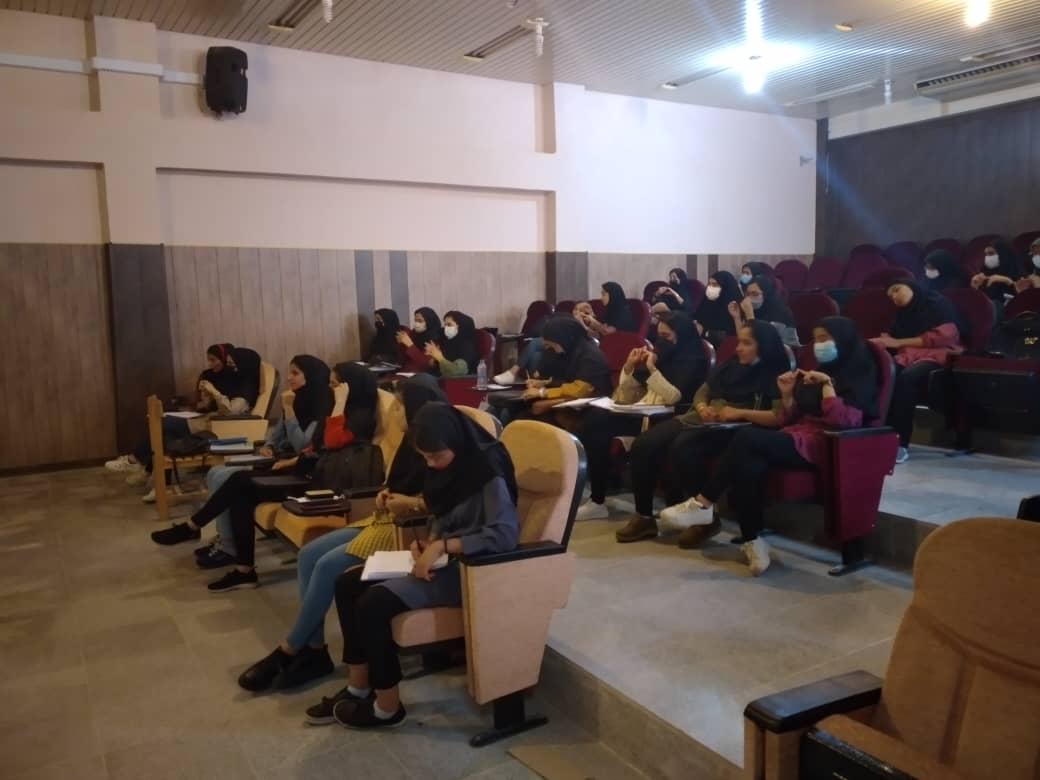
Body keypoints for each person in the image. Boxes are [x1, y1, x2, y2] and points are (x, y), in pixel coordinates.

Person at [310, 402, 520, 730]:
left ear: (455, 441)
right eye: (425, 457)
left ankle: (387, 707)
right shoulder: (448, 468)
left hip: (473, 570)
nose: (431, 465)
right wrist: (427, 543)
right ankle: (358, 687)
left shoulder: (486, 471)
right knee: (346, 584)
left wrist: (442, 545)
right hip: (443, 561)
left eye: (435, 456)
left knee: (373, 604)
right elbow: (443, 516)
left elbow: (506, 534)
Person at [237, 375, 447, 695]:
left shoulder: (436, 443)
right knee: (309, 555)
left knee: (327, 566)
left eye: (399, 407)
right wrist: (387, 493)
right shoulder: (409, 442)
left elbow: (438, 500)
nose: (393, 413)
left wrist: (407, 502)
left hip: (407, 530)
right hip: (385, 519)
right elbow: (398, 484)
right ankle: (315, 650)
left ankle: (289, 648)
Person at [668, 317, 878, 575]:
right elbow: (789, 417)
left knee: (746, 438)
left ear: (843, 340)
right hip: (797, 436)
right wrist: (788, 394)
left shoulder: (860, 374)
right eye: (816, 339)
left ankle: (703, 503)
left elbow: (844, 421)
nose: (818, 345)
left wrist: (827, 387)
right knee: (748, 463)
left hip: (828, 444)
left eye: (825, 339)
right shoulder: (821, 369)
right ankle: (753, 541)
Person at [150, 355, 335, 586]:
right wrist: (269, 445)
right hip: (281, 463)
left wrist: (289, 410)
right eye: (290, 372)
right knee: (228, 482)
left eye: (295, 373)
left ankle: (196, 529)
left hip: (304, 474)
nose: (289, 378)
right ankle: (241, 567)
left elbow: (303, 445)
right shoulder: (297, 399)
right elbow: (276, 435)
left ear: (312, 376)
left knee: (238, 481)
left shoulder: (323, 405)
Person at [615, 321, 789, 545]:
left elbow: (777, 416)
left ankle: (705, 519)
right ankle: (644, 517)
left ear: (763, 345)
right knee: (644, 444)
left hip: (736, 427)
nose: (738, 348)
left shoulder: (775, 373)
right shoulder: (731, 365)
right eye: (739, 342)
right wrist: (702, 407)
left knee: (684, 447)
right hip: (701, 417)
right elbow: (702, 393)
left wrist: (738, 413)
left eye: (747, 343)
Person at [574, 313, 708, 521]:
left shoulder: (694, 359)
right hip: (644, 413)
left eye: (667, 336)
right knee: (595, 421)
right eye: (659, 335)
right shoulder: (661, 354)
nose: (661, 341)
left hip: (670, 417)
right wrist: (629, 367)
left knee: (643, 445)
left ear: (681, 335)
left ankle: (643, 514)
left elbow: (674, 396)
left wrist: (652, 369)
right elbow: (625, 395)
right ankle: (597, 500)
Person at [108, 343, 259, 491]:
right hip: (208, 422)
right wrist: (208, 397)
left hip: (215, 428)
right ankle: (155, 479)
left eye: (233, 365)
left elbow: (231, 412)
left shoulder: (246, 391)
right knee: (165, 436)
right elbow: (216, 405)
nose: (232, 369)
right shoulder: (238, 382)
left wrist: (214, 392)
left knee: (163, 423)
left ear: (244, 366)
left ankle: (134, 461)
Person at [874, 282, 963, 464]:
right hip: (908, 355)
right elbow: (894, 338)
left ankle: (901, 443)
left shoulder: (939, 305)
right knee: (884, 373)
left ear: (912, 287)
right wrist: (885, 341)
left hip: (938, 354)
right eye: (890, 295)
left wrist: (897, 342)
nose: (894, 297)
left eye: (897, 289)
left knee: (908, 378)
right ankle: (879, 436)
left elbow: (946, 336)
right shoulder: (903, 313)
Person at [519, 316, 612, 421]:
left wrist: (542, 392)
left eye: (552, 345)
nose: (551, 349)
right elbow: (567, 380)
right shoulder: (572, 350)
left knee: (528, 416)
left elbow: (580, 390)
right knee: (520, 408)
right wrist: (544, 383)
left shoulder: (590, 355)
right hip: (573, 401)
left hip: (589, 408)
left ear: (562, 339)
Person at [494, 302, 593, 385]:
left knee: (536, 352)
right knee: (535, 349)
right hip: (554, 345)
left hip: (565, 347)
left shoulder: (591, 324)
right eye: (575, 309)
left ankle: (515, 373)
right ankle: (532, 379)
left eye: (581, 311)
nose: (577, 312)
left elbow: (589, 338)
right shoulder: (565, 319)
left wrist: (581, 322)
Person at [730, 276, 799, 346]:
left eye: (755, 294)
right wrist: (737, 317)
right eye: (747, 294)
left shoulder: (781, 313)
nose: (749, 298)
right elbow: (743, 340)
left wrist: (750, 316)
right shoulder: (753, 310)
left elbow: (759, 343)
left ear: (766, 294)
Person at [421, 310, 479, 376]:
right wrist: (433, 358)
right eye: (445, 325)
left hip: (457, 381)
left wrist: (439, 357)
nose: (445, 328)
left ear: (460, 326)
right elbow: (433, 367)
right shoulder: (447, 342)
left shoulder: (467, 346)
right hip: (438, 378)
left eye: (449, 325)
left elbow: (457, 371)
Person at [693, 271, 743, 346]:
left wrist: (706, 332)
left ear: (725, 287)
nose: (710, 287)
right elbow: (698, 320)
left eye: (715, 285)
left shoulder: (735, 307)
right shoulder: (706, 303)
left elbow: (739, 337)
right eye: (709, 284)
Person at [971, 241, 1019, 306]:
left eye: (991, 253)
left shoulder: (1015, 270)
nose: (987, 257)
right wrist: (976, 287)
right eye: (986, 254)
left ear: (1002, 254)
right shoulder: (984, 273)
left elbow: (1020, 297)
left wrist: (1006, 280)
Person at [396, 307, 443, 373]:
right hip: (406, 372)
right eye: (415, 320)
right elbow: (403, 360)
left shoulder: (436, 339)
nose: (416, 324)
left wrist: (410, 345)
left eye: (420, 321)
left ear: (429, 322)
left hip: (422, 375)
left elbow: (426, 365)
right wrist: (401, 345)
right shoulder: (413, 334)